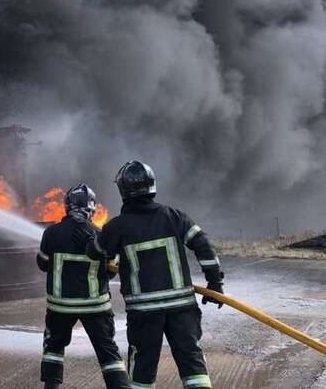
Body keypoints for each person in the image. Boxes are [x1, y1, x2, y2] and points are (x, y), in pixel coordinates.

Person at [86, 161, 224, 389]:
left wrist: (93, 240)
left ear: (123, 190)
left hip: (144, 314)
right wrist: (215, 283)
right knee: (193, 366)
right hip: (182, 310)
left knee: (141, 371)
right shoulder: (174, 216)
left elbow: (95, 252)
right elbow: (204, 246)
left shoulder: (117, 227)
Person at [37, 184, 130, 389]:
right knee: (107, 351)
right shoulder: (100, 235)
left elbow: (43, 264)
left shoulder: (51, 233)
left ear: (67, 206)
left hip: (60, 307)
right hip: (95, 306)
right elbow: (112, 270)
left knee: (54, 348)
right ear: (92, 208)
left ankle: (51, 386)